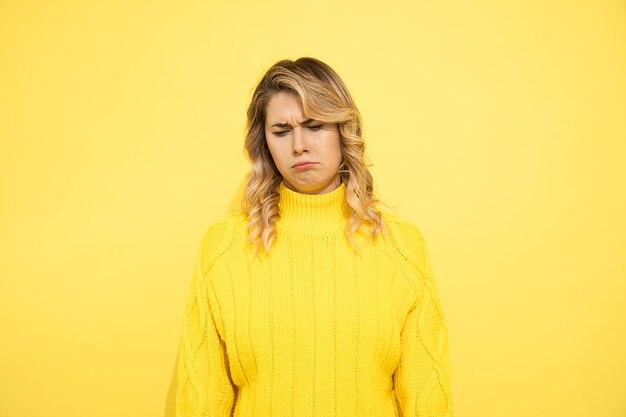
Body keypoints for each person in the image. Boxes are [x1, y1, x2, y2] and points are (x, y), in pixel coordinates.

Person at [175, 57, 454, 417]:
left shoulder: (400, 246)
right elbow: (201, 401)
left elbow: (427, 402)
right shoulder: (224, 247)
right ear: (265, 144)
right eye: (281, 131)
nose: (299, 145)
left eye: (314, 125)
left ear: (343, 129)